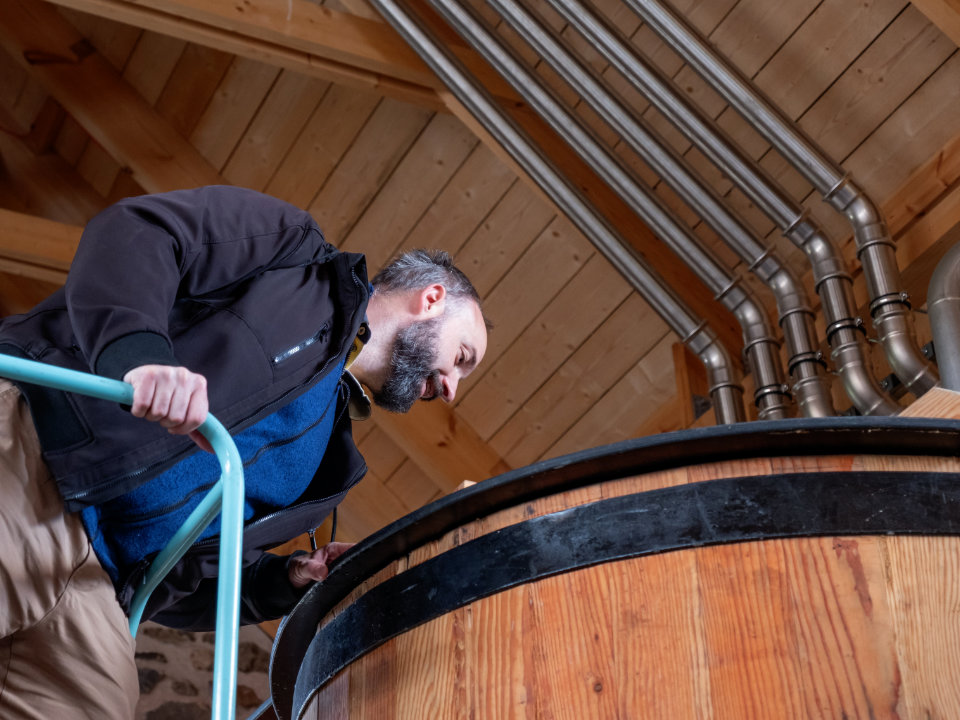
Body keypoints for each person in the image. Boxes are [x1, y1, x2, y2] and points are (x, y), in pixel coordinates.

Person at [0, 185, 488, 719]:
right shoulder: (295, 256)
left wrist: (287, 578)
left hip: (100, 588)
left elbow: (193, 584)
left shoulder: (326, 464)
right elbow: (140, 229)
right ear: (432, 298)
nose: (450, 390)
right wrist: (138, 356)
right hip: (40, 458)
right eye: (461, 357)